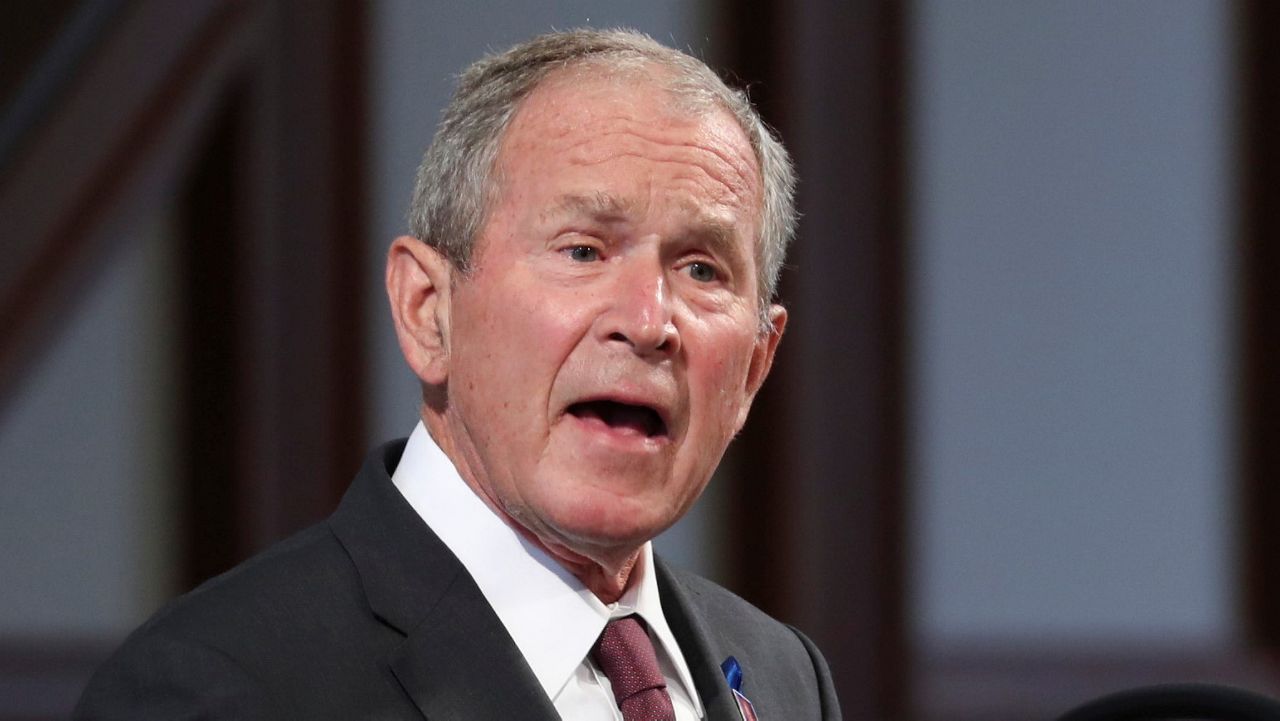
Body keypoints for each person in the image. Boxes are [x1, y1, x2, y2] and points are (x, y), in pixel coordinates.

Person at [75, 28, 840, 721]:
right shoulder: (219, 688)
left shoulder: (786, 680)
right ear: (427, 310)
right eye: (583, 251)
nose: (647, 321)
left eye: (702, 268)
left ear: (753, 367)